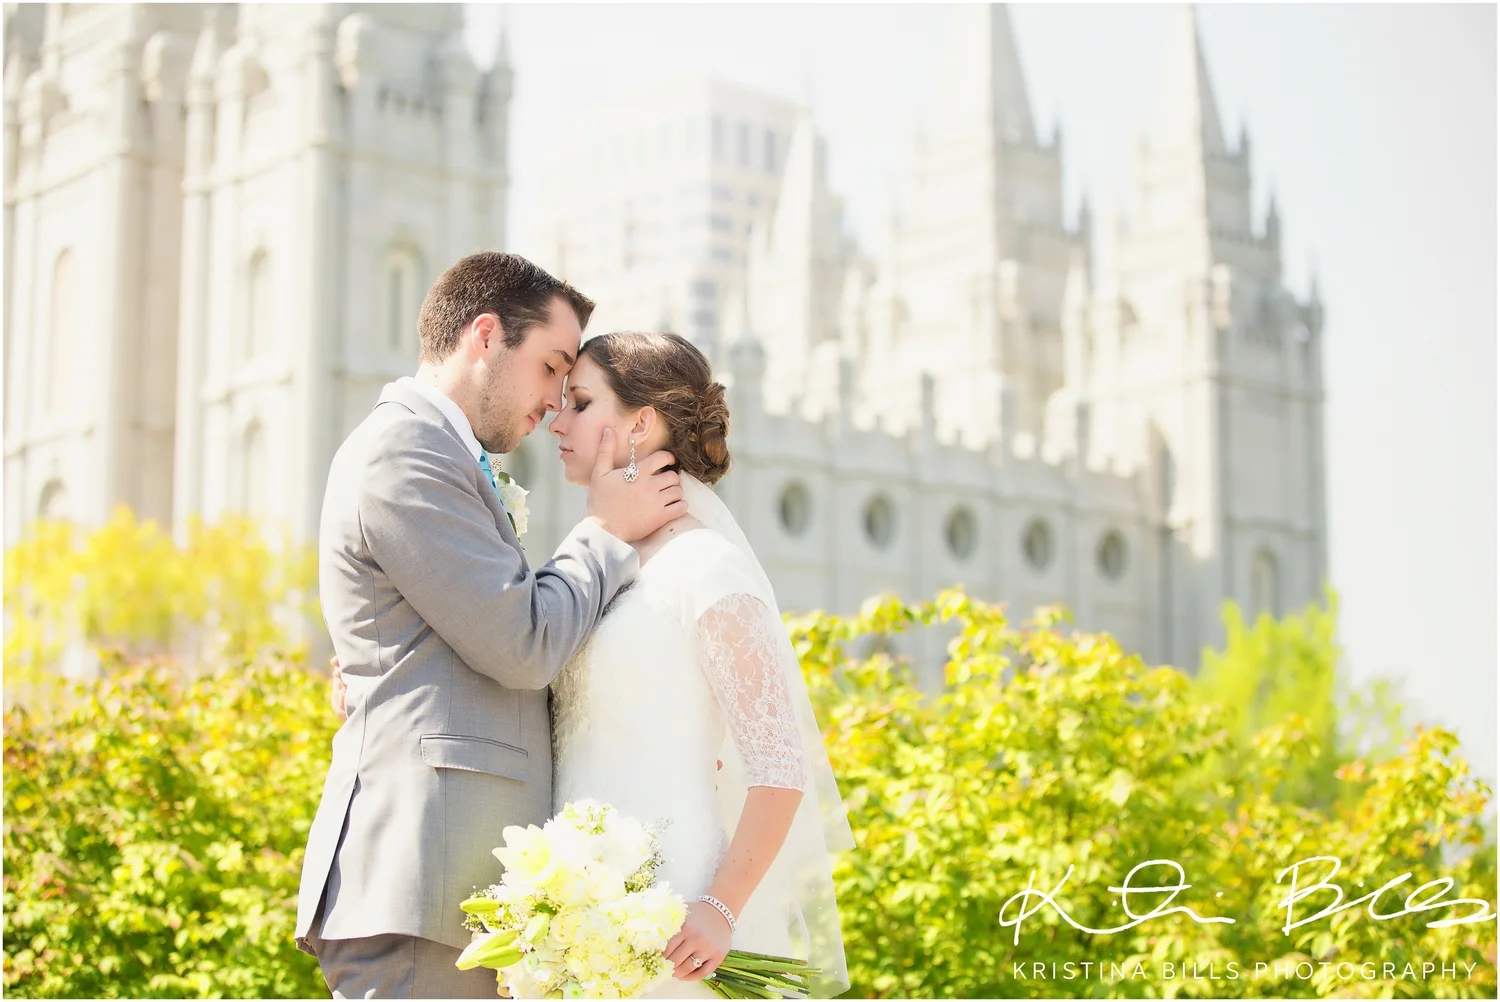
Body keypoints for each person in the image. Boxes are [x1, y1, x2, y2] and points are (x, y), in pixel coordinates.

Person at [296, 254, 687, 999]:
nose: (553, 404)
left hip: (459, 893)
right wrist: (603, 531)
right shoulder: (404, 451)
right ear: (485, 335)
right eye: (550, 367)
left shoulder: (447, 456)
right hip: (420, 886)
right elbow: (522, 642)